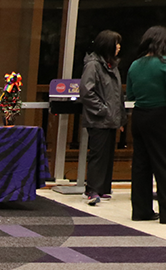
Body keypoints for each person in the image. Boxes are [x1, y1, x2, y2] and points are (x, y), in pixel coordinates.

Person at [79, 30, 127, 206]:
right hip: (98, 119)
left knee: (107, 154)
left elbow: (118, 96)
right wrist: (103, 110)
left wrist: (120, 118)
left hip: (111, 118)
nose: (119, 47)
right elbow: (86, 91)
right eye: (116, 43)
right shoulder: (93, 65)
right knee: (98, 155)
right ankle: (92, 189)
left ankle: (103, 188)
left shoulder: (112, 65)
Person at [126, 25, 166, 223]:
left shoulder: (135, 65)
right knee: (162, 163)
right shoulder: (163, 64)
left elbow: (131, 95)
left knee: (141, 165)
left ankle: (141, 211)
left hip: (139, 116)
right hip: (160, 115)